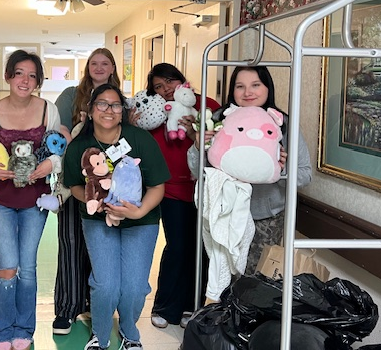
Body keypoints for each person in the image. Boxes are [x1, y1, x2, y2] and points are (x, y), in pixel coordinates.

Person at [64, 83, 171, 350]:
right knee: (106, 284)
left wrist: (140, 210)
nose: (108, 110)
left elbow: (158, 186)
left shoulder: (141, 140)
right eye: (101, 104)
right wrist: (94, 201)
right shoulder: (80, 146)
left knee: (134, 287)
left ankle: (129, 333)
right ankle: (99, 336)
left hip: (141, 220)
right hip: (98, 220)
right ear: (90, 110)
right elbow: (74, 186)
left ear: (122, 111)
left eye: (115, 105)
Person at [188, 66, 312, 274]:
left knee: (256, 282)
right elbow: (196, 170)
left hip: (266, 218)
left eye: (256, 85)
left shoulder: (283, 125)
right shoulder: (219, 120)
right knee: (222, 278)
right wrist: (199, 147)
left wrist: (280, 169)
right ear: (232, 90)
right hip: (223, 214)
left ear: (267, 88)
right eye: (240, 86)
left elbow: (305, 174)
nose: (248, 93)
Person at [0, 50, 63, 350]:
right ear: (8, 76)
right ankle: (0, 332)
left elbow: (58, 149)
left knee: (28, 267)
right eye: (19, 73)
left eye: (32, 75)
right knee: (7, 266)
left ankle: (23, 330)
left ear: (38, 81)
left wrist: (51, 165)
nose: (25, 80)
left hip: (35, 200)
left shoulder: (48, 110)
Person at [131, 63, 220, 329]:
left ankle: (192, 307)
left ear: (181, 80)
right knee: (178, 247)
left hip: (203, 188)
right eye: (158, 86)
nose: (166, 89)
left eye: (170, 81)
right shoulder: (153, 112)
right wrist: (133, 126)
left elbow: (220, 142)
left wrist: (199, 132)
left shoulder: (207, 105)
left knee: (201, 249)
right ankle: (165, 306)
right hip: (169, 190)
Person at [52, 48, 121, 335]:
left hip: (108, 186)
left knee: (101, 247)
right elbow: (59, 131)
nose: (99, 67)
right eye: (94, 63)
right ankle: (66, 309)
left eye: (105, 63)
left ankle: (97, 306)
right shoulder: (71, 94)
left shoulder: (120, 99)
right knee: (70, 243)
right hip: (74, 180)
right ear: (87, 67)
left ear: (113, 68)